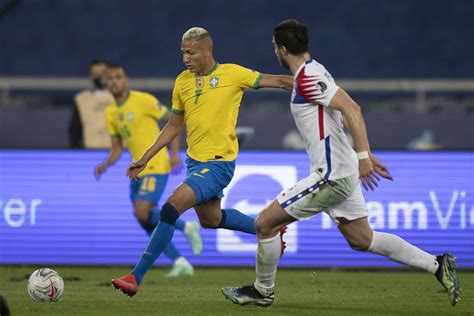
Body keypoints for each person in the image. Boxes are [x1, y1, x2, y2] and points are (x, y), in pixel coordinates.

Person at [221, 19, 460, 307]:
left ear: (282, 49)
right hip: (341, 170)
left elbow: (351, 108)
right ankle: (438, 264)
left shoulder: (309, 77)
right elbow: (338, 118)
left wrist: (363, 156)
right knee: (362, 239)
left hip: (331, 175)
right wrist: (362, 154)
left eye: (275, 47)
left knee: (264, 223)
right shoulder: (311, 73)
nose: (275, 51)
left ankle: (263, 291)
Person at [111, 27, 294, 297]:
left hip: (219, 164)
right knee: (211, 219)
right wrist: (145, 158)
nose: (185, 58)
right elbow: (173, 126)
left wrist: (314, 86)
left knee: (171, 208)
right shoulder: (182, 82)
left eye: (191, 52)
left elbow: (277, 81)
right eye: (183, 52)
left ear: (208, 51)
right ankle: (269, 228)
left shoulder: (233, 74)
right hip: (195, 163)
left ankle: (135, 276)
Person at [95, 64, 203, 277]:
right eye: (111, 78)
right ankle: (180, 261)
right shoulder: (110, 113)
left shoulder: (143, 100)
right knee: (143, 219)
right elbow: (117, 147)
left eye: (119, 77)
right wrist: (105, 165)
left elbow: (173, 121)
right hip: (137, 168)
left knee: (142, 211)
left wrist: (173, 154)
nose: (115, 81)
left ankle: (186, 226)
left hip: (155, 164)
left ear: (125, 80)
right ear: (106, 83)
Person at [69, 59, 114, 149]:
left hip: (121, 155)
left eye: (103, 73)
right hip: (92, 154)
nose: (100, 76)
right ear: (91, 76)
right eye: (95, 74)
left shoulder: (124, 97)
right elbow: (75, 131)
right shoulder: (82, 100)